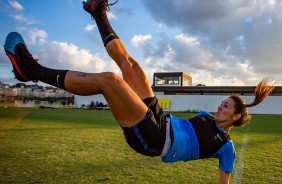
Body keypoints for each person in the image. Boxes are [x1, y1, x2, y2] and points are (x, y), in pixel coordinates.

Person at [3, 0, 275, 183]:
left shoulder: (225, 147)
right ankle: (98, 12)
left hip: (155, 139)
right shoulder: (205, 115)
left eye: (226, 106)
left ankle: (32, 71)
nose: (220, 107)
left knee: (111, 81)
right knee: (131, 66)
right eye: (223, 103)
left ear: (237, 118)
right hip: (160, 118)